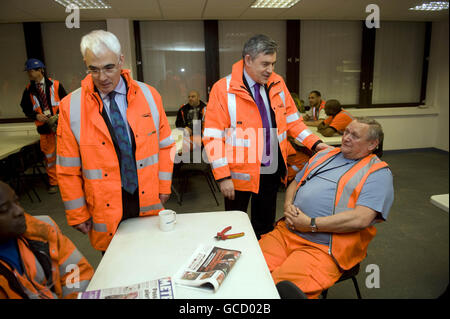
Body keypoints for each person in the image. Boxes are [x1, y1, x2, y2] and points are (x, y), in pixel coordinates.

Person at [56, 30, 174, 253]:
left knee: (152, 260)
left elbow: (165, 145)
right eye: (94, 69)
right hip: (105, 206)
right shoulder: (70, 106)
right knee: (116, 273)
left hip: (147, 198)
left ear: (121, 60)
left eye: (109, 67)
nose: (102, 77)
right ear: (86, 64)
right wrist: (77, 212)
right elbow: (67, 168)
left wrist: (164, 186)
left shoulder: (150, 95)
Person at [202, 34, 328, 239]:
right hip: (238, 173)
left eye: (273, 64)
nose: (270, 70)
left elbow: (293, 121)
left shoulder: (277, 82)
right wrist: (223, 176)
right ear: (248, 59)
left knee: (265, 225)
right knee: (234, 225)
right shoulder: (222, 89)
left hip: (271, 166)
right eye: (265, 64)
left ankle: (263, 263)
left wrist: (316, 144)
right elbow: (213, 137)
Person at [259, 117, 394, 299]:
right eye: (346, 132)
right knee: (248, 272)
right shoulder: (323, 155)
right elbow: (296, 182)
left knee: (277, 292)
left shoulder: (377, 173)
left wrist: (311, 224)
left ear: (372, 144)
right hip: (286, 232)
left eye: (355, 136)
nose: (346, 137)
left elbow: (362, 218)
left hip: (324, 247)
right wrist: (288, 205)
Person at [0, 181, 94, 299]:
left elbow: (77, 272)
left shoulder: (42, 230)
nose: (19, 211)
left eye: (16, 201)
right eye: (4, 209)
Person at [20, 58, 67, 194]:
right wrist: (36, 116)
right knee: (50, 157)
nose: (29, 74)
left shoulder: (56, 85)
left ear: (41, 70)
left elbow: (66, 103)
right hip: (44, 129)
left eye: (31, 70)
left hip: (59, 126)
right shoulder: (29, 90)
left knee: (66, 155)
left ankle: (69, 181)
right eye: (28, 71)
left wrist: (57, 116)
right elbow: (25, 108)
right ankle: (54, 183)